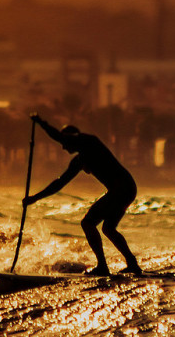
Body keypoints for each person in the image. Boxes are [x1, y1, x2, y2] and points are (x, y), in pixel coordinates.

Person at [23, 113, 141, 276]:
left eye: (65, 142)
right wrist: (34, 198)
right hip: (126, 188)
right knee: (108, 228)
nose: (63, 147)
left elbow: (59, 137)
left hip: (122, 188)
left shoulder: (90, 142)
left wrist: (41, 123)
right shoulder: (79, 160)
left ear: (72, 138)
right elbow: (60, 183)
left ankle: (102, 267)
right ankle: (132, 264)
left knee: (88, 223)